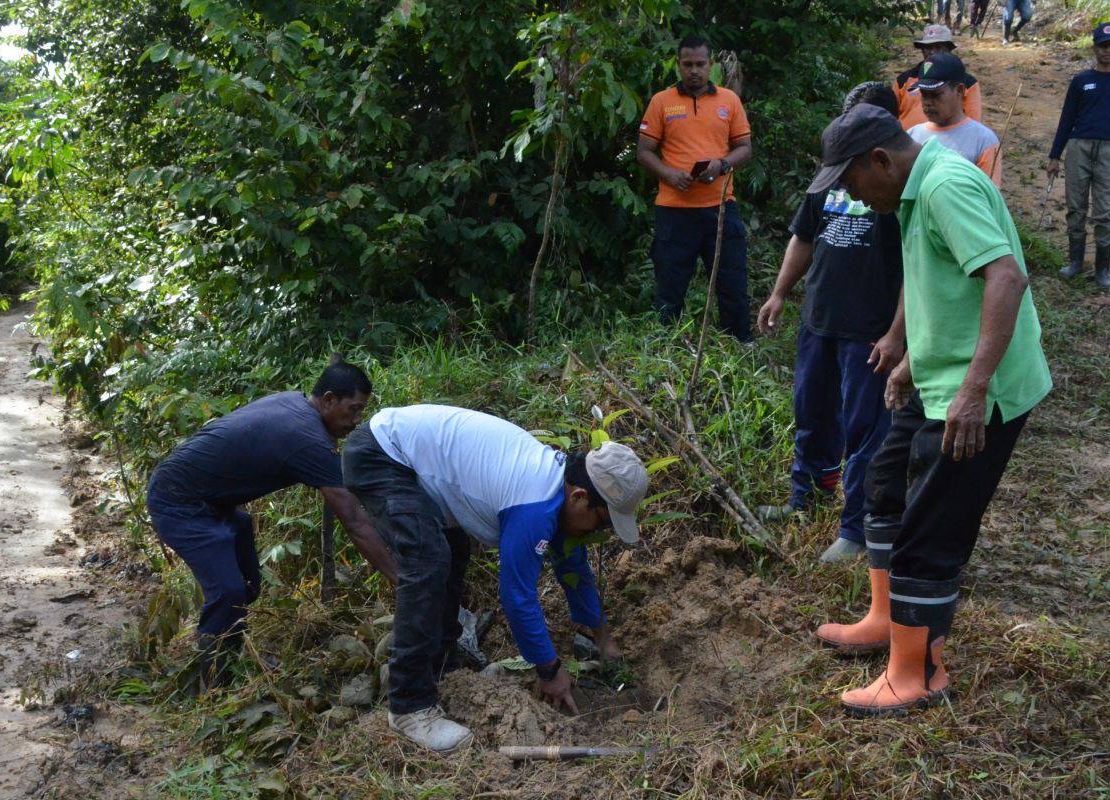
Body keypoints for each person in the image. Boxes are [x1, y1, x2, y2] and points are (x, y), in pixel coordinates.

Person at [807, 104, 1052, 715]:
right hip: (939, 377)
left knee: (929, 529)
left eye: (851, 183)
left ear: (880, 162)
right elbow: (941, 284)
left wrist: (973, 390)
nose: (853, 198)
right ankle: (885, 621)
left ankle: (918, 674)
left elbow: (1004, 278)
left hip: (980, 390)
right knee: (885, 487)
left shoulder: (946, 185)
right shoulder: (914, 191)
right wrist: (910, 357)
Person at [342, 405, 649, 752]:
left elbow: (573, 566)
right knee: (428, 563)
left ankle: (441, 673)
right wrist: (549, 671)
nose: (599, 531)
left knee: (451, 552)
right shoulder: (534, 505)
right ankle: (409, 706)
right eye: (603, 522)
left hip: (415, 464)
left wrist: (603, 637)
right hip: (385, 454)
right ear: (579, 497)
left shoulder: (557, 492)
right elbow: (518, 597)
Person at [146, 361, 398, 686]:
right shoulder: (307, 439)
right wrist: (397, 577)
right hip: (178, 500)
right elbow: (354, 521)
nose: (356, 420)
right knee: (228, 590)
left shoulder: (292, 403)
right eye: (353, 409)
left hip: (210, 501)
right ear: (330, 399)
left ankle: (231, 652)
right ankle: (211, 685)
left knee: (249, 583)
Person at [756, 82, 905, 564]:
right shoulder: (831, 179)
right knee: (812, 413)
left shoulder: (901, 187)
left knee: (867, 429)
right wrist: (781, 292)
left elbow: (918, 268)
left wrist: (897, 334)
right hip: (820, 317)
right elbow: (803, 236)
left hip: (870, 327)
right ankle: (807, 496)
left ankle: (856, 529)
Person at [638, 34, 754, 342]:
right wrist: (670, 175)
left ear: (711, 64)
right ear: (678, 65)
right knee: (670, 284)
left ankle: (739, 342)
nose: (694, 71)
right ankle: (666, 347)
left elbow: (744, 147)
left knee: (732, 281)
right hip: (674, 211)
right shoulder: (662, 101)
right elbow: (644, 151)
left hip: (720, 207)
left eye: (700, 64)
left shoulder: (729, 100)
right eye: (687, 64)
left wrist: (722, 165)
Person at [1048, 22, 1110, 289]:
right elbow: (1067, 119)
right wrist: (1055, 155)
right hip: (1079, 147)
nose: (1107, 51)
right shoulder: (1081, 81)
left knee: (1104, 210)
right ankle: (1076, 262)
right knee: (1076, 207)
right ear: (1094, 48)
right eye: (1102, 46)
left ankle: (1103, 269)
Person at [907, 53, 1002, 187]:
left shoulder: (983, 141)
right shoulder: (912, 136)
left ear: (960, 90)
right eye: (924, 94)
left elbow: (989, 196)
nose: (927, 102)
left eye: (936, 95)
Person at [895, 25, 982, 131]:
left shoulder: (967, 83)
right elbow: (891, 117)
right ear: (922, 50)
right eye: (928, 47)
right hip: (906, 142)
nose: (932, 52)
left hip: (949, 143)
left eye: (938, 47)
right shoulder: (904, 80)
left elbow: (973, 122)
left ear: (949, 50)